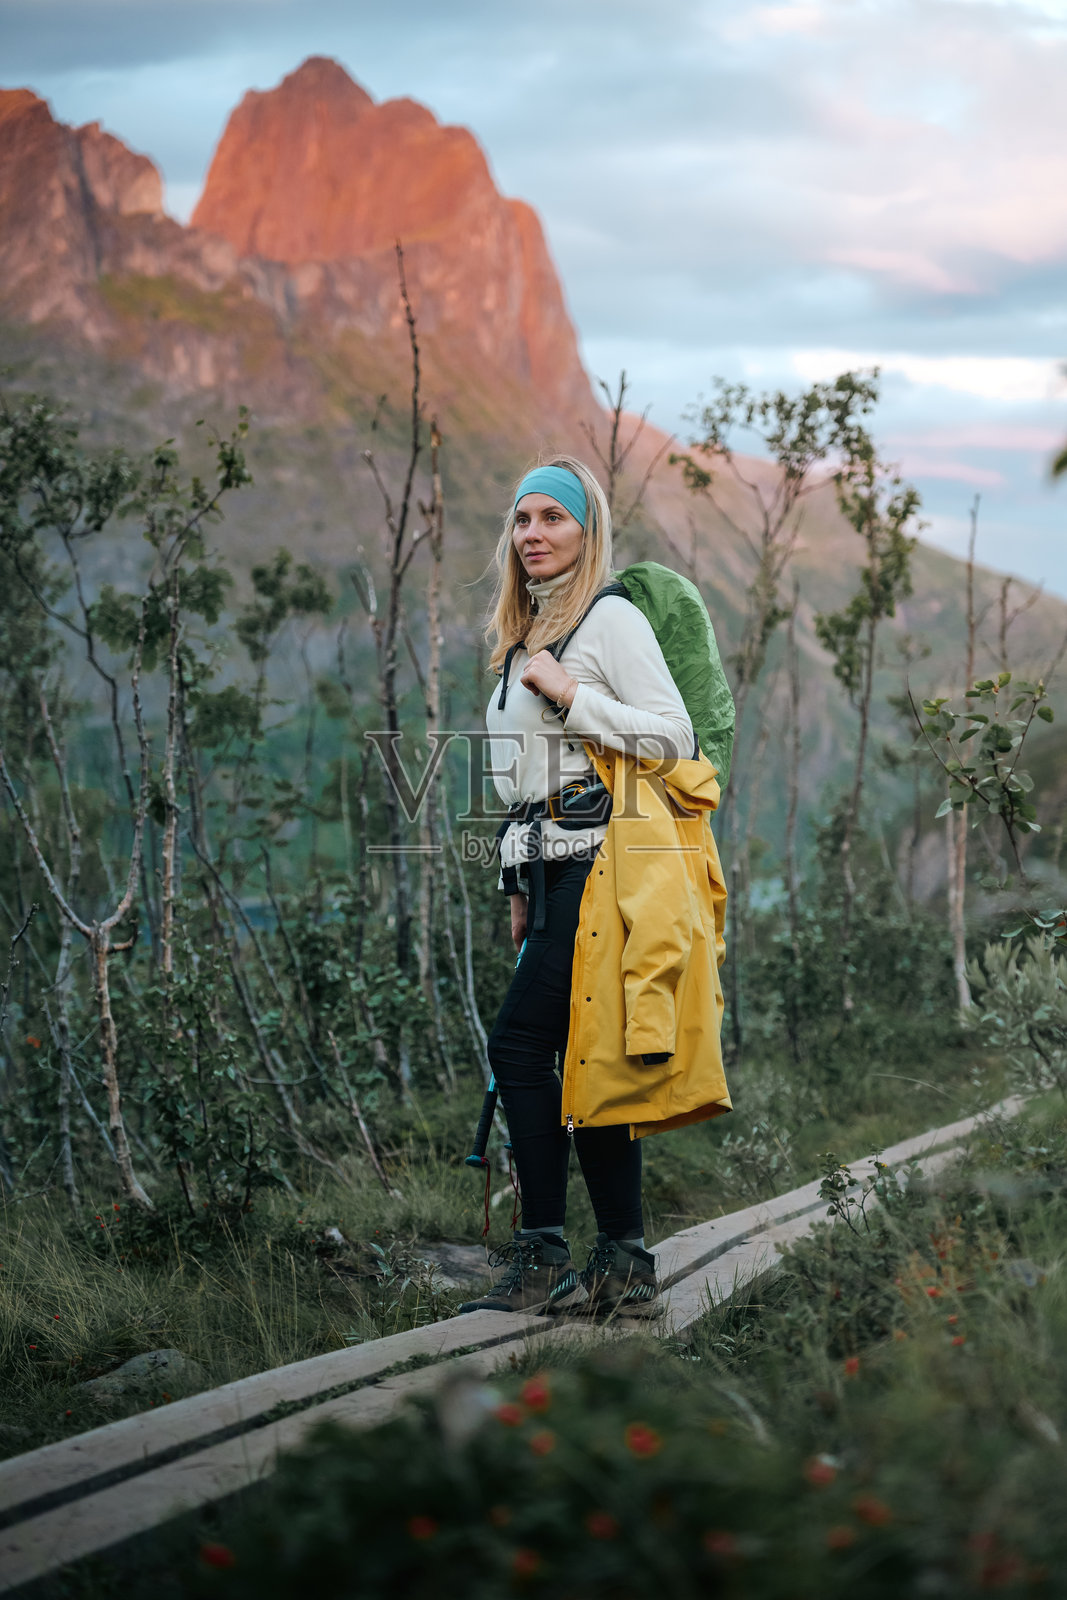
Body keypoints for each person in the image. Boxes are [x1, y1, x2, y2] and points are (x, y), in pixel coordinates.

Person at [458, 456, 731, 1320]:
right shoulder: (517, 639)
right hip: (548, 869)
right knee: (586, 1058)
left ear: (586, 533)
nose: (532, 534)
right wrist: (514, 887)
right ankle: (625, 1266)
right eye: (521, 520)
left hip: (605, 865)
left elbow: (673, 738)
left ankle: (543, 1257)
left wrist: (573, 693)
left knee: (517, 1048)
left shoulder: (608, 622)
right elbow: (521, 782)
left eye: (552, 519)